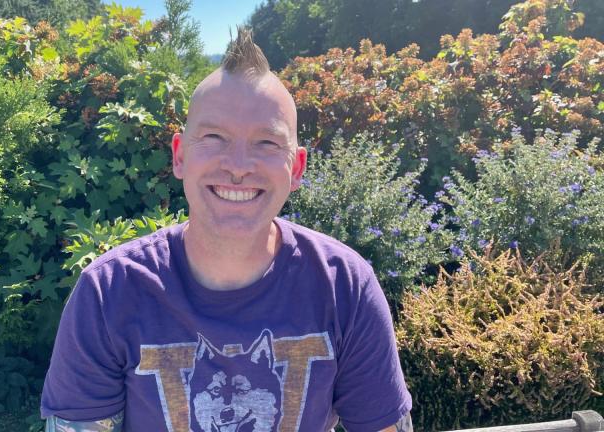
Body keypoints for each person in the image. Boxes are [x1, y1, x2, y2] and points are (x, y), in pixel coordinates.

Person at [40, 28, 413, 432]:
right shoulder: (108, 292)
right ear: (180, 155)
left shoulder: (345, 287)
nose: (237, 165)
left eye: (267, 143)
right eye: (215, 137)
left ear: (297, 168)